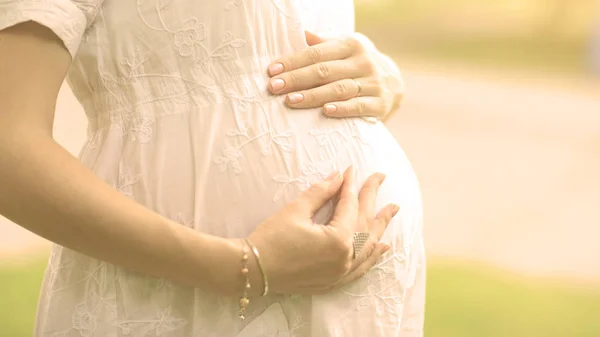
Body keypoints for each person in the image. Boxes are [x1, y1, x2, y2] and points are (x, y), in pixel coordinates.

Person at [0, 1, 425, 336]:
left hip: (362, 295)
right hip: (183, 299)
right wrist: (243, 266)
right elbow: (8, 146)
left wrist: (386, 79)